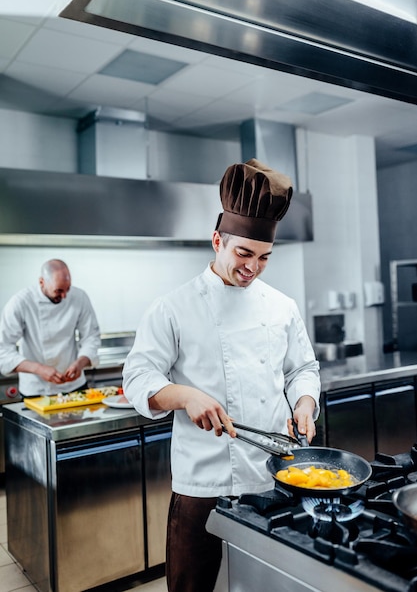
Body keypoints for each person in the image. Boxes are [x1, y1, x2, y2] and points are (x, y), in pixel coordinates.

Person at [123, 158, 321, 592]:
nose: (253, 267)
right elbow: (138, 377)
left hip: (273, 477)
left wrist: (305, 403)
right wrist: (184, 396)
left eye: (265, 258)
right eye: (243, 254)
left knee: (267, 585)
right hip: (202, 482)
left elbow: (303, 369)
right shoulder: (172, 307)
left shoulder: (281, 307)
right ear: (217, 241)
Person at [0, 259, 101, 397]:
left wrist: (80, 362)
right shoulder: (20, 303)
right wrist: (39, 369)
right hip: (36, 389)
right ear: (42, 282)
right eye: (59, 290)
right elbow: (3, 350)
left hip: (74, 385)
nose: (64, 296)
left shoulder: (79, 297)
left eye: (67, 289)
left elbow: (91, 336)